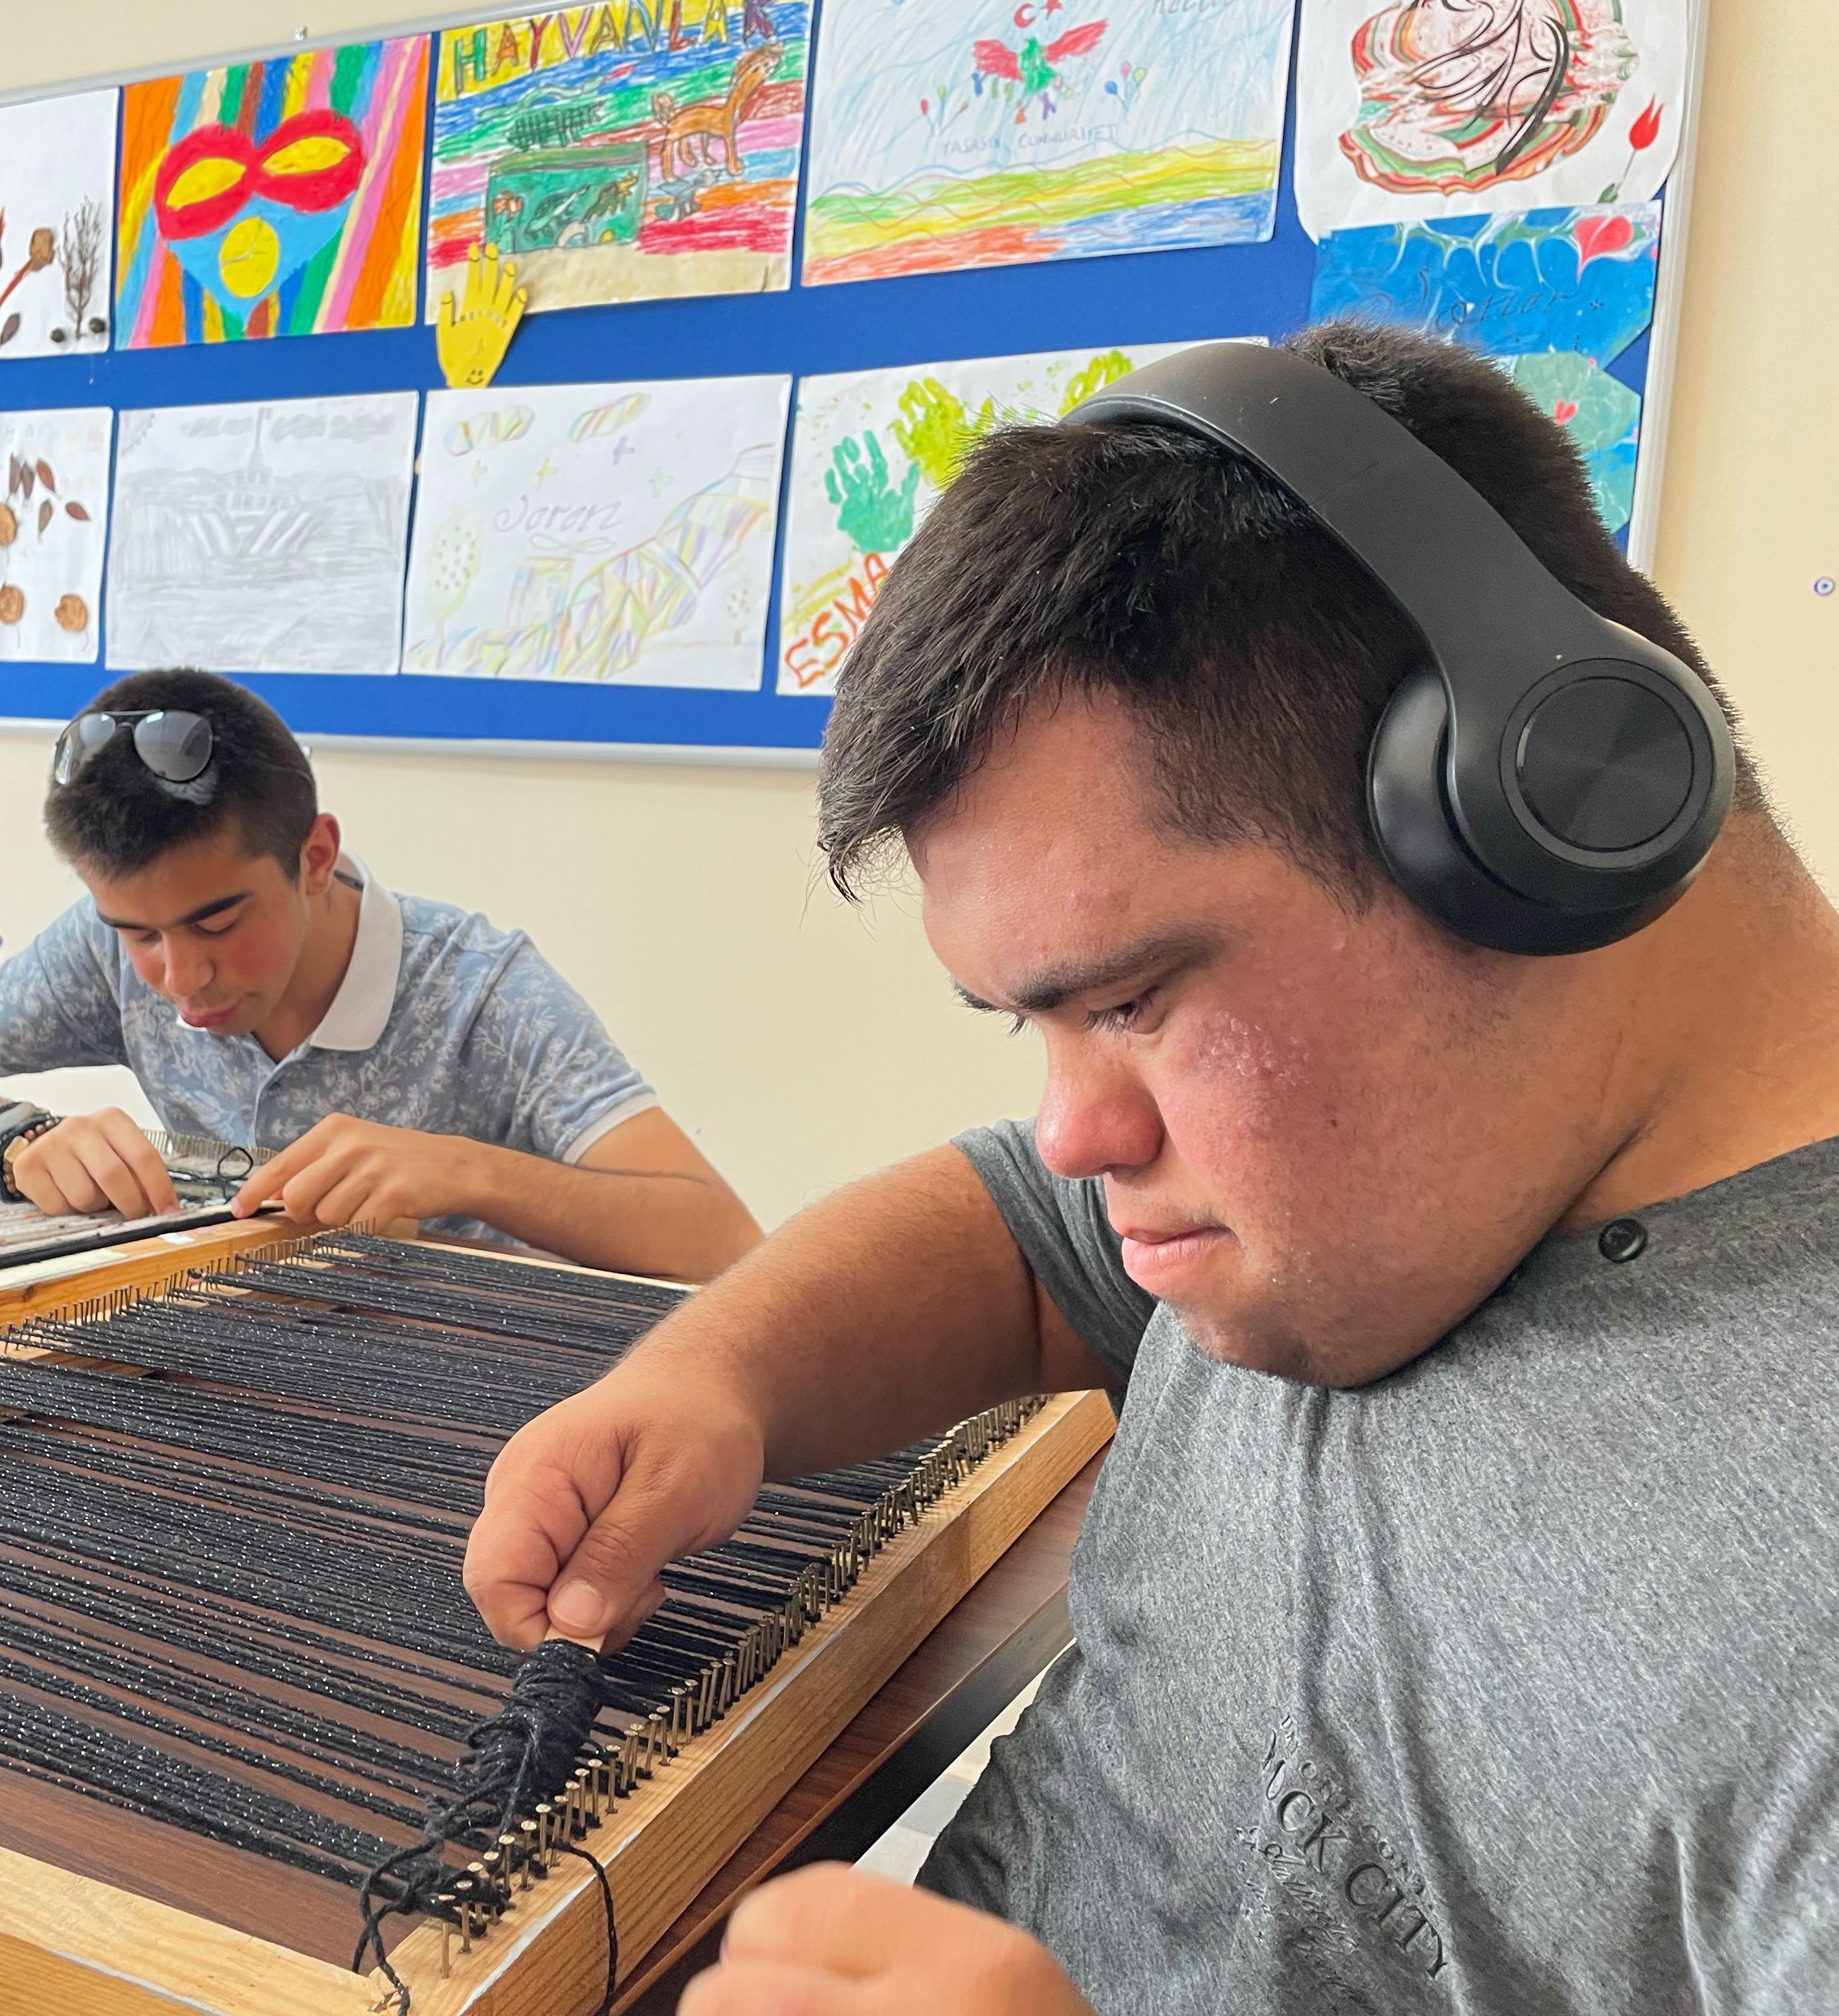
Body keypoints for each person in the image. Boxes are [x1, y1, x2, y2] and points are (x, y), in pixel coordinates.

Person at [463, 322, 1839, 2015]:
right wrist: (719, 1377)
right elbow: (1026, 1227)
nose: (1079, 1128)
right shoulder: (1338, 1182)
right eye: (1028, 1025)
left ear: (1549, 825)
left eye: (1130, 1002)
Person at [0, 667, 761, 1283]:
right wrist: (17, 1141)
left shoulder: (484, 992)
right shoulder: (112, 948)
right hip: (227, 1374)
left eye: (218, 920)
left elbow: (722, 1240)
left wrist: (470, 1173)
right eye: (137, 933)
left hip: (456, 1412)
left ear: (315, 857)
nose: (180, 977)